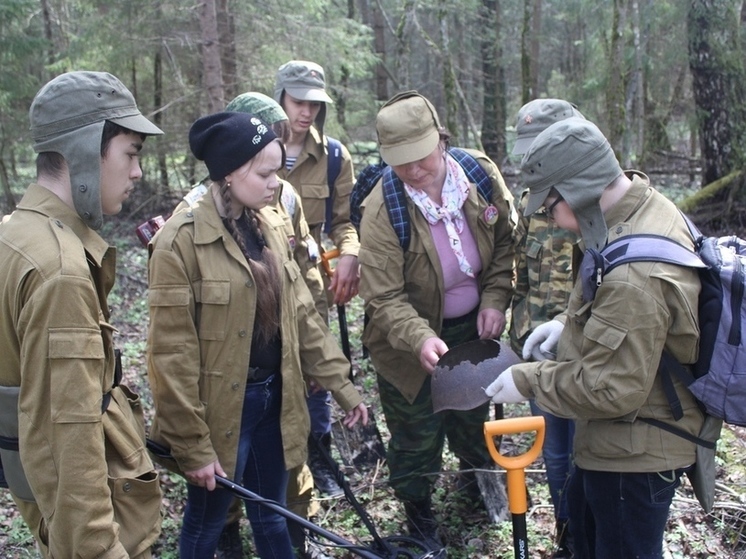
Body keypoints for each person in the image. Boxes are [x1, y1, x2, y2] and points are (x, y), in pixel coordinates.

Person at [146, 111, 368, 559]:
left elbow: (301, 313)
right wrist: (192, 444)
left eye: (278, 170)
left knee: (273, 514)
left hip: (275, 398)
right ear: (229, 173)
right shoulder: (181, 240)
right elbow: (170, 355)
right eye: (265, 172)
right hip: (221, 410)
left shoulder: (267, 224)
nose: (276, 183)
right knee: (207, 522)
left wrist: (343, 387)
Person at [486, 117, 704, 559]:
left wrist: (528, 382)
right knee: (587, 536)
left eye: (550, 208)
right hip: (617, 438)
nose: (553, 221)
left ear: (578, 190)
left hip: (635, 456)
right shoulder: (636, 205)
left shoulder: (634, 278)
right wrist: (569, 325)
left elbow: (613, 389)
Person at [0, 71, 163, 558]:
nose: (136, 172)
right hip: (93, 526)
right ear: (87, 150)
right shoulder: (62, 270)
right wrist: (97, 549)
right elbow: (68, 434)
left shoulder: (16, 233)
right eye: (130, 153)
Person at [358, 91, 516, 547]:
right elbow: (384, 295)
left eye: (421, 157)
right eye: (401, 162)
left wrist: (495, 297)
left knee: (473, 417)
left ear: (441, 140)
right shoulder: (383, 207)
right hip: (406, 344)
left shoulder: (480, 177)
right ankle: (419, 513)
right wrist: (420, 337)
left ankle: (477, 485)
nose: (412, 170)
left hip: (472, 330)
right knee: (416, 433)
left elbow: (506, 242)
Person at [212, 91, 328, 559]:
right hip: (234, 364)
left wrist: (312, 346)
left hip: (284, 351)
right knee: (230, 466)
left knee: (289, 452)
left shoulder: (287, 196)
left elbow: (306, 270)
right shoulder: (205, 210)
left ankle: (298, 535)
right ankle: (227, 533)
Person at [274, 59, 360, 497]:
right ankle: (276, 466)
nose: (305, 112)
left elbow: (344, 222)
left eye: (314, 104)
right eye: (297, 101)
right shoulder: (253, 145)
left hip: (310, 283)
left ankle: (320, 458)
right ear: (280, 98)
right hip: (263, 279)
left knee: (316, 370)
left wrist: (349, 255)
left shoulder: (334, 157)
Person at [508, 98, 582, 559]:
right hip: (541, 354)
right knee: (555, 455)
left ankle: (592, 541)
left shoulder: (597, 200)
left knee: (589, 455)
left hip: (589, 356)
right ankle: (568, 539)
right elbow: (521, 275)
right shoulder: (529, 203)